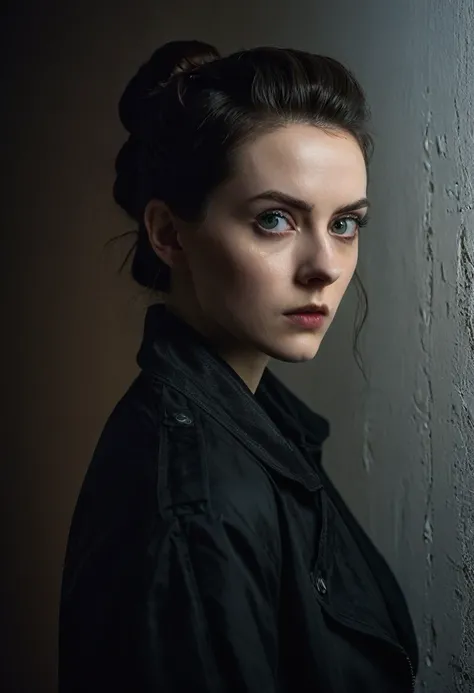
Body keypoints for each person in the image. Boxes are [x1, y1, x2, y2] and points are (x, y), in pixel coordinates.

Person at [58, 40, 418, 692]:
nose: (325, 266)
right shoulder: (192, 512)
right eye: (276, 219)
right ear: (169, 234)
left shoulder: (259, 431)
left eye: (346, 223)